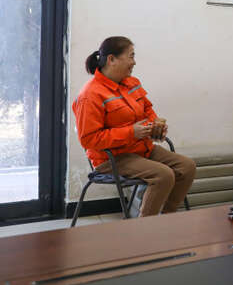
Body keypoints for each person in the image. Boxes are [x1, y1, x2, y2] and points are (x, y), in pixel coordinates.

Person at [73, 37, 196, 217]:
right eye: (131, 56)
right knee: (163, 175)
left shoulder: (132, 83)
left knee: (187, 167)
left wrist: (155, 127)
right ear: (112, 59)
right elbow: (89, 139)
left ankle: (167, 220)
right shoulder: (90, 95)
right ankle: (143, 228)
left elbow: (147, 109)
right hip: (111, 158)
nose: (134, 62)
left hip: (140, 149)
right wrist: (131, 132)